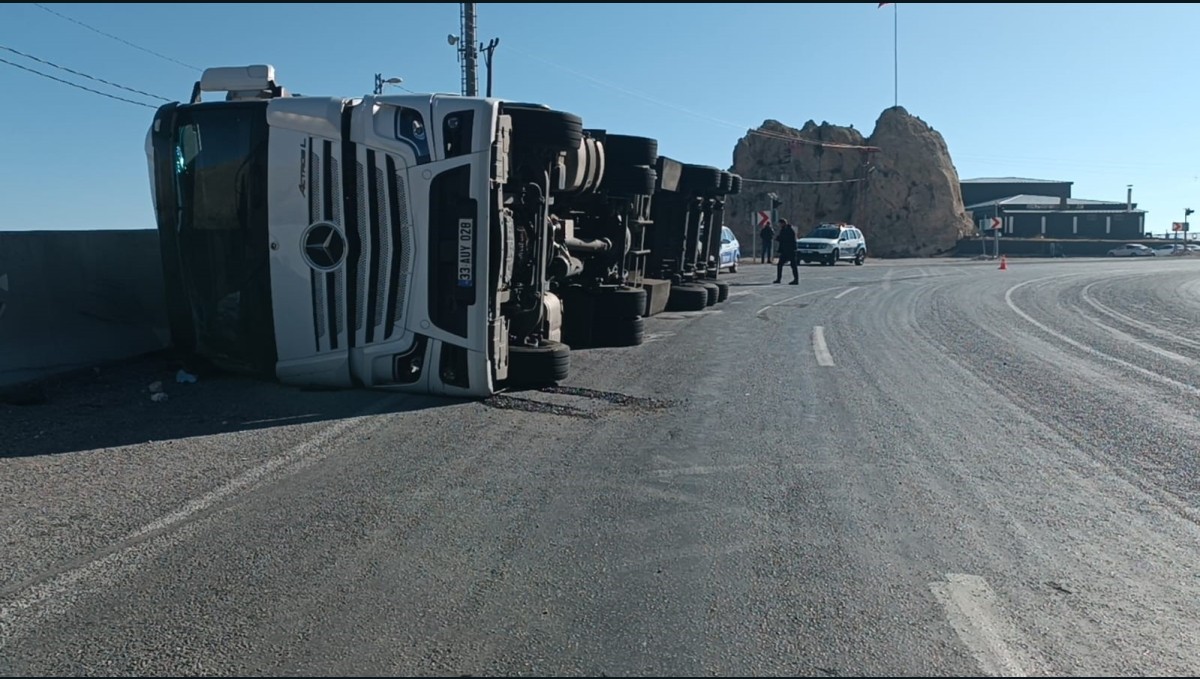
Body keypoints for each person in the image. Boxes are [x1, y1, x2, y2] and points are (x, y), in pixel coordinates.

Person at [774, 218, 799, 285]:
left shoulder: (790, 230)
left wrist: (779, 238)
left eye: (780, 223)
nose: (780, 225)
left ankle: (796, 280)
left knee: (793, 265)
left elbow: (787, 239)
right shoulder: (783, 229)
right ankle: (778, 279)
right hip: (784, 250)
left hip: (791, 250)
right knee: (780, 264)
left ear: (783, 223)